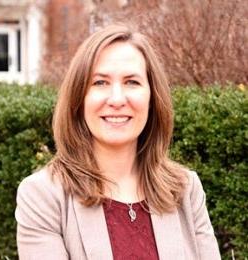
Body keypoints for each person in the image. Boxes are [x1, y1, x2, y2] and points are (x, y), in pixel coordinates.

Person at [15, 24, 221, 259]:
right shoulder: (43, 195)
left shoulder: (185, 189)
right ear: (78, 99)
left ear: (152, 97)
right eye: (100, 82)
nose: (116, 99)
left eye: (132, 82)